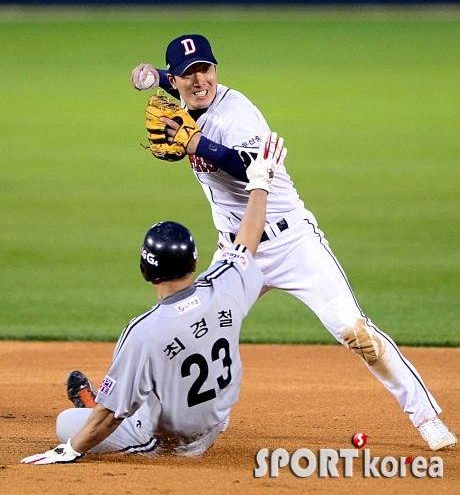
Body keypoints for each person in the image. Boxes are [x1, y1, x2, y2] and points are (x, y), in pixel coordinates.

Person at [128, 34, 456, 452]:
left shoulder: (239, 113)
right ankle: (195, 416)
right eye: (188, 74)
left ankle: (425, 417)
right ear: (175, 80)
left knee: (354, 330)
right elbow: (175, 83)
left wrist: (195, 142)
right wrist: (150, 76)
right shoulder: (182, 95)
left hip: (292, 243)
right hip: (238, 251)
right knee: (193, 330)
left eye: (205, 69)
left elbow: (252, 168)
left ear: (216, 70)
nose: (199, 80)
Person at [20, 133, 287, 464]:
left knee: (68, 423)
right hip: (218, 422)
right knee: (154, 380)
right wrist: (260, 182)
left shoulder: (144, 331)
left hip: (172, 442)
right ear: (194, 262)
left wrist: (71, 449)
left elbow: (110, 416)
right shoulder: (227, 285)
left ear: (146, 271)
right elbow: (247, 240)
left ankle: (95, 407)